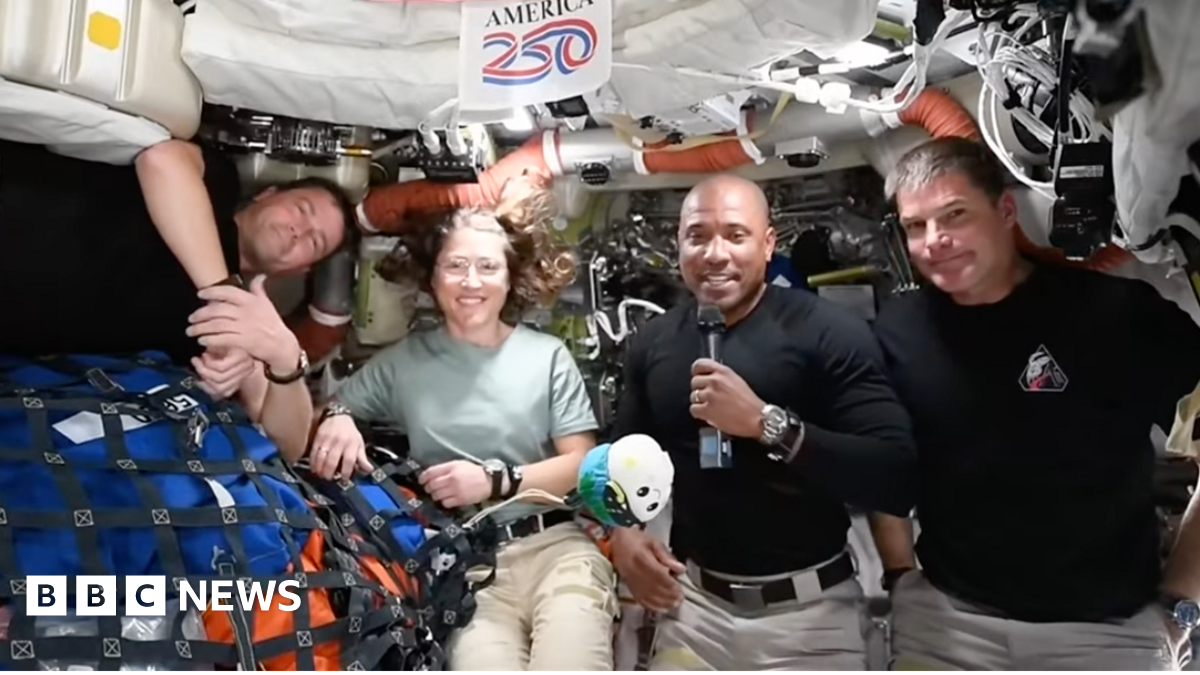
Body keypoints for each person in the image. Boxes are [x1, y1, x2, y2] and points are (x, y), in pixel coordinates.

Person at [871, 136, 1200, 670]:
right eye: (915, 225)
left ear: (1005, 211)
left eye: (954, 215)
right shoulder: (897, 332)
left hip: (1104, 636)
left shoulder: (1116, 317)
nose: (935, 241)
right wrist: (899, 576)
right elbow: (881, 459)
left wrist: (1183, 599)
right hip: (948, 628)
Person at [607, 173, 917, 671]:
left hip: (812, 616)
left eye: (736, 235)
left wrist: (768, 425)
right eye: (698, 236)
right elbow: (621, 459)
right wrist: (622, 534)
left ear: (768, 244)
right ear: (678, 245)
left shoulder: (830, 333)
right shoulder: (655, 342)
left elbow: (892, 474)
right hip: (694, 611)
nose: (715, 254)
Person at [308, 176, 618, 671]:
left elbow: (583, 466)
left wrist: (495, 481)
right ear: (433, 279)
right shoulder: (404, 363)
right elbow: (325, 411)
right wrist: (339, 416)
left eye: (488, 267)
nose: (472, 281)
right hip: (468, 571)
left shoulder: (546, 356)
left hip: (556, 551)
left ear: (509, 279)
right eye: (456, 266)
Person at [0, 137, 355, 460]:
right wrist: (223, 295)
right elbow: (161, 160)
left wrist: (285, 357)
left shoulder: (242, 326)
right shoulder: (217, 185)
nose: (299, 230)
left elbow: (286, 448)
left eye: (315, 241)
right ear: (267, 194)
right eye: (301, 209)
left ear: (300, 269)